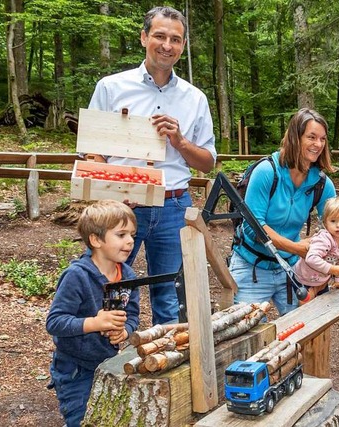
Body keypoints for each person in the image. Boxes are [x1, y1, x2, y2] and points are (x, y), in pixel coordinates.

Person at [87, 6, 217, 325]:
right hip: (122, 207)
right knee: (107, 287)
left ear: (183, 45)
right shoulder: (110, 87)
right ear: (144, 37)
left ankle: (164, 366)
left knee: (169, 295)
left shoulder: (195, 98)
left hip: (174, 206)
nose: (166, 45)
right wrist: (112, 195)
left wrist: (181, 142)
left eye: (175, 39)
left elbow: (209, 162)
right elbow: (92, 152)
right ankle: (100, 368)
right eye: (159, 36)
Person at [229, 108, 337, 316]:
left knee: (304, 331)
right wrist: (296, 248)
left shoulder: (322, 184)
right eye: (311, 137)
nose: (318, 144)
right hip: (251, 266)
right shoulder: (266, 172)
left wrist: (328, 257)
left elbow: (338, 224)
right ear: (295, 137)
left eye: (322, 139)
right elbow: (254, 228)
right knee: (248, 337)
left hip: (291, 269)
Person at [46, 200, 140, 427]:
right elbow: (55, 322)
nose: (129, 241)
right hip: (75, 368)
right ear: (96, 240)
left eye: (132, 235)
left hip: (109, 363)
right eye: (121, 235)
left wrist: (124, 332)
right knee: (82, 419)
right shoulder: (77, 276)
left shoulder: (128, 276)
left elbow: (133, 315)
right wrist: (94, 323)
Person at [294, 196, 339, 304]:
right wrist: (331, 269)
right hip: (305, 279)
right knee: (304, 307)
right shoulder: (324, 239)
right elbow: (311, 258)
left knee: (324, 305)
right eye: (333, 221)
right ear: (325, 223)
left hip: (322, 280)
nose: (338, 225)